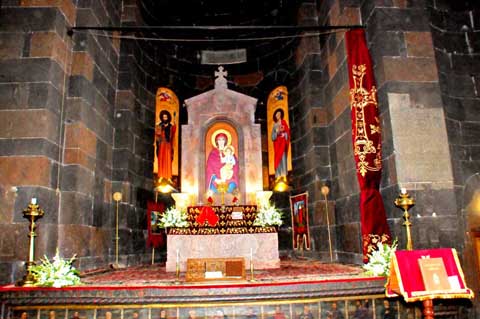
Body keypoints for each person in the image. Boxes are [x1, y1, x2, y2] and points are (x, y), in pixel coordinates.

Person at [155, 110, 176, 180]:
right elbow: (157, 136)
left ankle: (169, 176)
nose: (165, 118)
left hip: (168, 145)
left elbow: (173, 133)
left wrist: (175, 123)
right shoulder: (159, 125)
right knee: (161, 160)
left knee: (168, 160)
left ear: (168, 118)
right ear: (162, 118)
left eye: (166, 117)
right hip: (161, 145)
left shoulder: (170, 126)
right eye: (163, 117)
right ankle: (161, 175)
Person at [271, 108, 290, 179]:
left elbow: (287, 133)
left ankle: (284, 175)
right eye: (276, 114)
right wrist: (277, 132)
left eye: (279, 114)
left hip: (282, 143)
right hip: (277, 145)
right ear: (275, 116)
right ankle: (278, 176)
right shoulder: (274, 125)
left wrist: (284, 134)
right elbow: (272, 137)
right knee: (277, 159)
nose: (278, 115)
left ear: (281, 115)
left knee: (283, 158)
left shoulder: (284, 122)